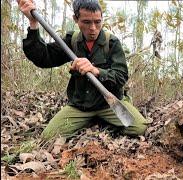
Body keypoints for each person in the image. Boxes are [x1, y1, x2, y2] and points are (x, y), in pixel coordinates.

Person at [18, 0, 147, 140]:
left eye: (98, 22)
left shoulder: (112, 43)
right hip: (80, 106)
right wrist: (33, 24)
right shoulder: (71, 41)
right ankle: (88, 120)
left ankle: (103, 122)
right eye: (86, 22)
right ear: (76, 19)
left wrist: (95, 70)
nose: (93, 28)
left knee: (139, 128)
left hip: (109, 104)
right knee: (48, 137)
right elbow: (43, 58)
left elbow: (121, 76)